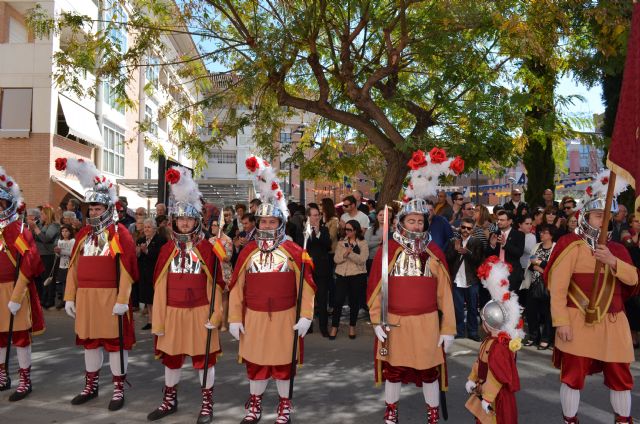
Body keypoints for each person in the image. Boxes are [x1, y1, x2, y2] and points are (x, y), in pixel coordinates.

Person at [367, 148, 460, 424]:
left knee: (429, 371)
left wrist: (448, 329)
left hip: (427, 324)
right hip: (394, 321)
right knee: (393, 371)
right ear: (402, 222)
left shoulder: (434, 253)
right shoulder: (388, 251)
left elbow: (445, 294)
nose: (417, 225)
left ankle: (431, 415)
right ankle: (391, 412)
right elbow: (375, 291)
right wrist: (375, 321)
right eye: (412, 220)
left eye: (421, 221)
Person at [544, 171, 638, 424]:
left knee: (621, 377)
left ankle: (623, 420)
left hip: (614, 323)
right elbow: (558, 287)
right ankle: (570, 420)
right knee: (573, 377)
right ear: (585, 218)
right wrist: (560, 321)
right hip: (577, 321)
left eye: (607, 216)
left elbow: (634, 281)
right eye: (598, 216)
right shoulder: (570, 245)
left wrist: (613, 261)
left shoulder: (617, 249)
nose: (603, 221)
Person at [228, 156, 316, 424]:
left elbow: (308, 287)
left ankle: (284, 407)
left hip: (285, 317)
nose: (266, 226)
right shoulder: (247, 252)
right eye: (262, 222)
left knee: (282, 364)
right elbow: (236, 288)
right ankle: (254, 406)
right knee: (256, 363)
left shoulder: (294, 252)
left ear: (280, 224)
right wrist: (233, 318)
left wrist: (306, 315)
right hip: (254, 317)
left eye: (271, 222)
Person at [56, 157, 138, 411]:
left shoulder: (119, 234)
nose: (93, 212)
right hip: (87, 298)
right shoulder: (83, 234)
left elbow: (127, 269)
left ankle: (118, 388)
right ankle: (90, 386)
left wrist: (123, 300)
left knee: (115, 345)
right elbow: (74, 268)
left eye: (98, 209)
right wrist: (70, 296)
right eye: (90, 209)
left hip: (111, 298)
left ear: (108, 209)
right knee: (90, 343)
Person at [147, 167, 224, 423]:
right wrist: (158, 320)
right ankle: (169, 400)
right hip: (172, 312)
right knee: (171, 359)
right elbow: (158, 287)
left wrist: (216, 313)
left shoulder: (207, 248)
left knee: (204, 360)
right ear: (174, 222)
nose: (184, 223)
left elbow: (217, 284)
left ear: (196, 221)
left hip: (200, 312)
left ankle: (206, 404)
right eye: (180, 220)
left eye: (189, 220)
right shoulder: (167, 248)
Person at [0, 167, 45, 401]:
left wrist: (16, 296)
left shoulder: (19, 230)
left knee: (19, 337)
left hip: (14, 289)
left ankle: (25, 380)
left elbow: (29, 264)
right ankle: (2, 374)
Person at [465, 257, 522, 424]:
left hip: (497, 398)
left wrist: (488, 398)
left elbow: (496, 376)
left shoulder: (499, 347)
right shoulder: (489, 341)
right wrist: (472, 378)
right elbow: (479, 362)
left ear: (489, 324)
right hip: (485, 390)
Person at [445, 217, 484, 341]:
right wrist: (456, 251)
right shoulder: (453, 241)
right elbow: (447, 260)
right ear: (460, 228)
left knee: (473, 308)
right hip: (457, 280)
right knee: (458, 309)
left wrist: (467, 253)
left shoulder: (477, 242)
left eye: (468, 228)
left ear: (472, 230)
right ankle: (459, 332)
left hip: (471, 280)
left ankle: (473, 332)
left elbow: (479, 261)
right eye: (463, 227)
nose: (465, 230)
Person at [330, 220, 368, 340]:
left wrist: (350, 254)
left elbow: (362, 259)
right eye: (346, 229)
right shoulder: (342, 242)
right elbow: (336, 259)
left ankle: (352, 326)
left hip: (357, 275)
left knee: (354, 302)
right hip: (342, 274)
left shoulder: (362, 243)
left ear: (356, 230)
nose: (347, 232)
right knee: (338, 301)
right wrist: (345, 255)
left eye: (350, 230)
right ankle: (334, 326)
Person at [524, 224, 556, 350]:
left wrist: (539, 265)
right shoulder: (537, 246)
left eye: (545, 232)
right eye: (541, 232)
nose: (541, 234)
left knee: (548, 314)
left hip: (548, 285)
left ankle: (546, 338)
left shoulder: (555, 247)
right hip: (534, 283)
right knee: (531, 312)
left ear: (551, 235)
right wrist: (537, 265)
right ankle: (533, 336)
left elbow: (553, 266)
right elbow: (530, 264)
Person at [306, 203, 332, 337]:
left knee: (322, 300)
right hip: (307, 270)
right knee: (308, 300)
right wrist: (309, 232)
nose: (317, 217)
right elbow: (302, 247)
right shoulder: (303, 230)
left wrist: (317, 233)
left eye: (318, 215)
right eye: (314, 215)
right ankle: (308, 326)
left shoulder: (324, 229)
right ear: (308, 217)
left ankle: (323, 327)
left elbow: (328, 245)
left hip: (322, 270)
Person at [136, 218, 167, 331]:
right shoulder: (140, 240)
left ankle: (157, 321)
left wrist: (146, 251)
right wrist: (138, 252)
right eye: (145, 227)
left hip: (155, 272)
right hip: (144, 273)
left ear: (154, 228)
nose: (146, 229)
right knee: (148, 299)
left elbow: (160, 256)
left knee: (155, 298)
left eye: (149, 227)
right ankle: (150, 320)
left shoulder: (161, 240)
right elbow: (137, 257)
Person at [28, 206, 60, 309]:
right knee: (40, 278)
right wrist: (31, 228)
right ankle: (42, 298)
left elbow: (46, 239)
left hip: (48, 254)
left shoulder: (54, 225)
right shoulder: (40, 224)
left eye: (42, 214)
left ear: (47, 215)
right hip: (39, 254)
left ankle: (49, 300)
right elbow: (33, 238)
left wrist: (36, 229)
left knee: (48, 278)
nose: (40, 216)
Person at [486, 210, 525, 293]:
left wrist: (505, 244)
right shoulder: (494, 234)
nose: (499, 222)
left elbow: (519, 253)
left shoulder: (519, 235)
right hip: (496, 273)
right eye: (498, 220)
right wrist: (492, 245)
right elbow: (488, 255)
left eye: (502, 220)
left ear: (510, 221)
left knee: (511, 300)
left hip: (512, 274)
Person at [209, 216, 234, 332]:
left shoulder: (228, 240)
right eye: (212, 225)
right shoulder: (210, 240)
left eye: (214, 225)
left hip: (224, 271)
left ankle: (224, 322)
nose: (212, 227)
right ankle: (215, 320)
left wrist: (219, 251)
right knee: (214, 297)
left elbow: (228, 257)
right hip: (213, 271)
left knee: (224, 297)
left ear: (220, 227)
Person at [621, 214, 640, 348]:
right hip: (633, 272)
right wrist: (637, 234)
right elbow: (629, 244)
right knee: (633, 305)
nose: (638, 223)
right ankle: (633, 336)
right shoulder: (625, 232)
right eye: (636, 221)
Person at [54, 224, 75, 310]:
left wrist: (61, 251)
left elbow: (72, 253)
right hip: (61, 265)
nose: (64, 233)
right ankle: (63, 300)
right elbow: (58, 255)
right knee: (62, 283)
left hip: (69, 265)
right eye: (63, 231)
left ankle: (69, 299)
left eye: (66, 231)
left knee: (68, 283)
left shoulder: (72, 241)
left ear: (70, 232)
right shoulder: (60, 241)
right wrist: (57, 252)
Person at [365, 206, 392, 273]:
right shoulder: (370, 229)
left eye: (385, 215)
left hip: (389, 260)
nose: (382, 217)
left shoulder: (392, 230)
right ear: (377, 216)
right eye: (380, 215)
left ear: (389, 216)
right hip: (372, 259)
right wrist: (380, 241)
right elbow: (366, 244)